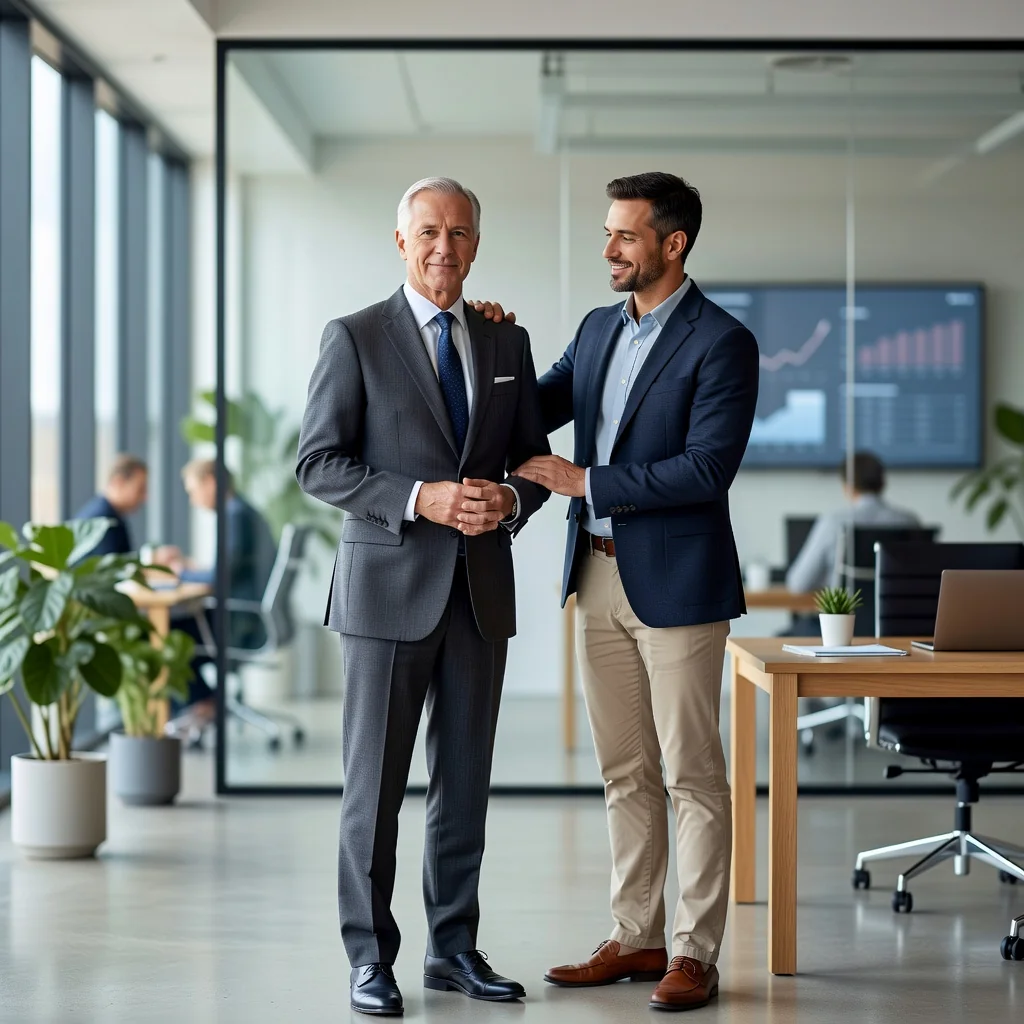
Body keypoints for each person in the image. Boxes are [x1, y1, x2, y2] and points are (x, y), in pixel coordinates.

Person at [295, 177, 550, 1016]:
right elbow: (319, 464)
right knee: (373, 787)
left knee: (464, 782)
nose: (446, 247)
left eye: (461, 232)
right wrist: (419, 498)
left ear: (477, 243)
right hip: (386, 592)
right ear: (401, 241)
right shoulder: (356, 337)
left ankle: (452, 949)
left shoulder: (504, 343)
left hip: (479, 593)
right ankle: (370, 958)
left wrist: (509, 501)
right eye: (430, 232)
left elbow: (532, 462)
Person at [514, 172, 759, 1013]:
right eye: (609, 232)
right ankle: (636, 934)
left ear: (672, 244)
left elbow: (705, 469)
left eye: (625, 234)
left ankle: (694, 951)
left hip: (680, 584)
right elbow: (535, 405)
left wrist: (588, 480)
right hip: (597, 572)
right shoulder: (595, 329)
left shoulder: (721, 342)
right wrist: (485, 345)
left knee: (692, 773)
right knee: (626, 771)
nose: (610, 247)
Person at [159, 459, 277, 728]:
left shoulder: (234, 516)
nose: (193, 499)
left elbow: (219, 577)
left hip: (238, 623)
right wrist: (191, 568)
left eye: (192, 490)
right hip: (247, 616)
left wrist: (179, 573)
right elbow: (231, 569)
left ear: (210, 482)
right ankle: (203, 702)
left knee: (160, 634)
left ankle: (203, 702)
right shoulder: (243, 511)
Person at [785, 451, 920, 594]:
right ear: (883, 483)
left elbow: (799, 582)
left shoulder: (833, 522)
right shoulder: (910, 522)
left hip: (845, 614)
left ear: (846, 486)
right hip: (896, 614)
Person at [72, 454, 148, 556]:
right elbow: (111, 569)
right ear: (119, 482)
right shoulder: (100, 522)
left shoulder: (114, 517)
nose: (145, 497)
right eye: (140, 489)